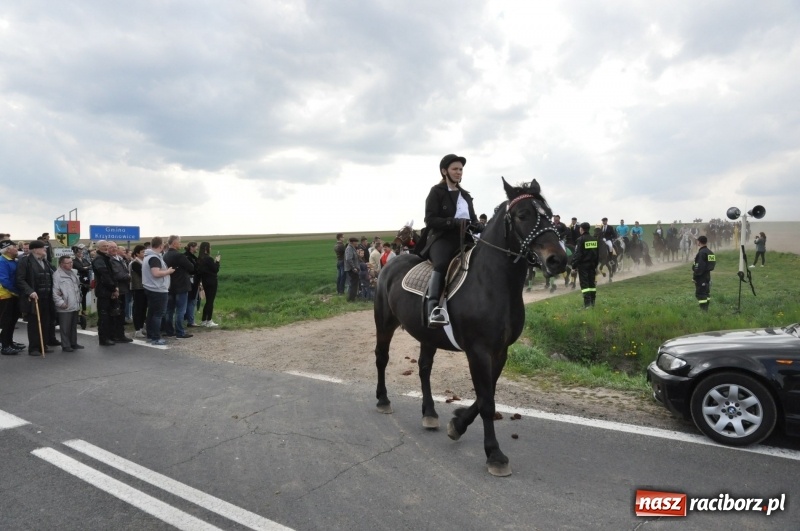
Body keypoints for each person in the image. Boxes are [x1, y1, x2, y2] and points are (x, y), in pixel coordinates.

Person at [418, 153, 482, 327]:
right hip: (442, 239)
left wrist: (480, 226)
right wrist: (452, 222)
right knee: (441, 264)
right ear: (444, 171)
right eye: (455, 169)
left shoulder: (466, 196)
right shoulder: (436, 192)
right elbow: (430, 220)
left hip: (466, 240)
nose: (459, 172)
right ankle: (433, 309)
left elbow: (473, 219)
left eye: (461, 169)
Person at [16, 240, 59, 354]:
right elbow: (20, 279)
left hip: (47, 297)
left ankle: (42, 345)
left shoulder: (45, 262)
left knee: (46, 321)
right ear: (35, 249)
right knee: (34, 323)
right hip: (34, 297)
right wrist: (29, 291)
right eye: (43, 248)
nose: (45, 249)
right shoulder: (25, 261)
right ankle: (34, 348)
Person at [142, 237, 174, 345]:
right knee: (158, 314)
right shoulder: (154, 258)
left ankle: (151, 335)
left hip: (151, 288)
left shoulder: (148, 256)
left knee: (151, 313)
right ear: (161, 246)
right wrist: (168, 271)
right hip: (157, 289)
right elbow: (156, 273)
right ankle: (156, 337)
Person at [163, 235, 194, 339]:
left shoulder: (165, 255)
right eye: (179, 242)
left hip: (169, 286)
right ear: (175, 243)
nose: (180, 244)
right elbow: (191, 267)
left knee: (169, 309)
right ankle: (180, 331)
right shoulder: (179, 256)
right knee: (181, 310)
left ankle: (169, 331)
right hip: (181, 285)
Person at [52, 255, 84, 352]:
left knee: (73, 326)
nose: (71, 264)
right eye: (68, 263)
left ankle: (73, 343)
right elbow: (55, 292)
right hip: (65, 305)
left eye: (71, 262)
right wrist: (61, 303)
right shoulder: (57, 275)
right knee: (65, 327)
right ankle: (66, 345)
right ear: (61, 264)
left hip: (74, 303)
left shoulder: (73, 273)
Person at [91, 240, 119, 346]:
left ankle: (111, 336)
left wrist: (115, 288)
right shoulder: (99, 259)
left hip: (109, 290)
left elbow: (112, 275)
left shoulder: (106, 258)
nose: (106, 247)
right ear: (98, 248)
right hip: (103, 291)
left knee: (111, 315)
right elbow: (105, 276)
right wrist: (113, 289)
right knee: (104, 316)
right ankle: (104, 339)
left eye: (107, 246)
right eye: (104, 246)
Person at [0, 240, 25, 355]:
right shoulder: (2, 261)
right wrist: (16, 291)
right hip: (5, 296)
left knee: (13, 320)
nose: (17, 249)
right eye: (14, 247)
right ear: (8, 249)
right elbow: (4, 280)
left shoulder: (13, 260)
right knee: (6, 321)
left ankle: (9, 342)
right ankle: (4, 346)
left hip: (13, 295)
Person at [108, 242, 133, 343]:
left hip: (123, 289)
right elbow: (116, 275)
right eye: (111, 247)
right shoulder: (110, 260)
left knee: (121, 313)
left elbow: (125, 270)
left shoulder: (120, 259)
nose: (114, 249)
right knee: (116, 314)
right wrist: (128, 277)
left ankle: (120, 334)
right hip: (117, 289)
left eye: (115, 247)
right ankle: (116, 335)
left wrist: (126, 275)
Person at [572, 222, 599, 309]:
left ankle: (587, 305)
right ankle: (593, 303)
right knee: (592, 284)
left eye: (580, 228)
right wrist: (596, 265)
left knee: (585, 285)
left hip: (583, 266)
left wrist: (574, 266)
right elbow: (597, 254)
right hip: (592, 265)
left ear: (582, 229)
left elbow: (578, 254)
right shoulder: (594, 239)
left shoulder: (580, 239)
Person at [196, 242, 221, 327]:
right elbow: (215, 269)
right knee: (210, 301)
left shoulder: (200, 258)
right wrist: (217, 261)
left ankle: (203, 320)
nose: (210, 249)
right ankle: (209, 320)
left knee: (208, 301)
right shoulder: (209, 258)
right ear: (207, 248)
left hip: (205, 281)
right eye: (210, 247)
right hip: (212, 281)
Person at [692, 235, 715, 311]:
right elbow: (712, 265)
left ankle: (703, 311)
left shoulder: (701, 253)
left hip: (701, 277)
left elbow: (699, 266)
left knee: (701, 294)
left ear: (699, 242)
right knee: (706, 293)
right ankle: (706, 310)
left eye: (697, 241)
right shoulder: (710, 252)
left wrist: (695, 277)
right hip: (707, 276)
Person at [129, 245, 148, 338]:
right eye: (142, 252)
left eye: (145, 252)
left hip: (144, 288)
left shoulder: (143, 262)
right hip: (138, 288)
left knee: (144, 309)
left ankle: (141, 326)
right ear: (137, 253)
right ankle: (137, 329)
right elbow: (143, 274)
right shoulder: (135, 263)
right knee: (138, 309)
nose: (144, 254)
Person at [72, 244, 92, 329]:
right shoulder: (74, 261)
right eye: (79, 252)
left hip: (86, 280)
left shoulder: (84, 260)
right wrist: (86, 267)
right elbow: (80, 268)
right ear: (76, 253)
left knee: (84, 295)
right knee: (79, 296)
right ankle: (78, 311)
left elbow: (89, 266)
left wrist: (85, 267)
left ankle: (84, 310)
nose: (80, 254)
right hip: (79, 280)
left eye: (81, 252)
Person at [183, 242, 200, 327]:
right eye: (196, 247)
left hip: (190, 281)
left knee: (189, 300)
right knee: (192, 301)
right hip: (191, 281)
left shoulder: (189, 256)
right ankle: (191, 321)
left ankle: (187, 319)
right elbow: (192, 269)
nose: (197, 248)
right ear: (191, 247)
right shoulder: (188, 257)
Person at [344, 237, 360, 302]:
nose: (357, 243)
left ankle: (352, 297)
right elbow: (348, 259)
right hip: (351, 269)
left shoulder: (352, 248)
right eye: (356, 241)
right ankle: (351, 299)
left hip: (353, 268)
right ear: (352, 242)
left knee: (354, 284)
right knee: (353, 284)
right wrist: (354, 267)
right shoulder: (349, 248)